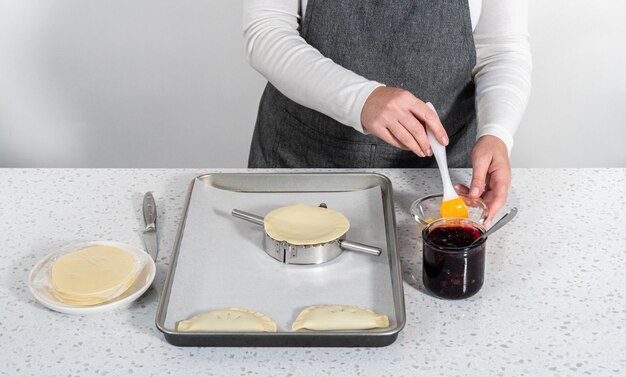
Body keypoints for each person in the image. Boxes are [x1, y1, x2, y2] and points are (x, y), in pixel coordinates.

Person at [242, 0, 531, 223]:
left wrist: (497, 132)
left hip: (438, 178)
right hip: (304, 160)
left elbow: (500, 49)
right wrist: (361, 99)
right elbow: (267, 30)